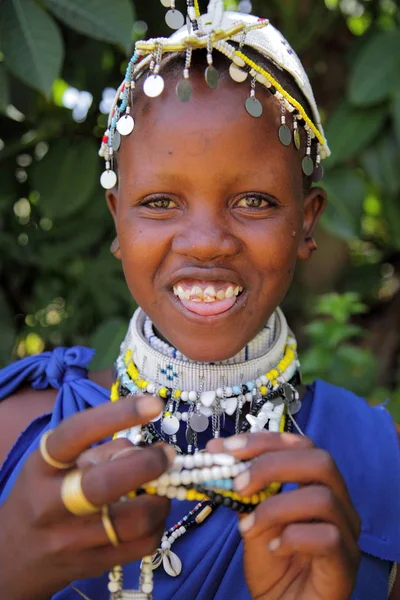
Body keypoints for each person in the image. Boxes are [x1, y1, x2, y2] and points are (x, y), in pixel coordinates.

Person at [0, 2, 399, 599]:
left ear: (308, 222)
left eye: (255, 202)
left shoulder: (379, 467)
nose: (207, 242)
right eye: (160, 202)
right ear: (118, 221)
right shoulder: (16, 429)